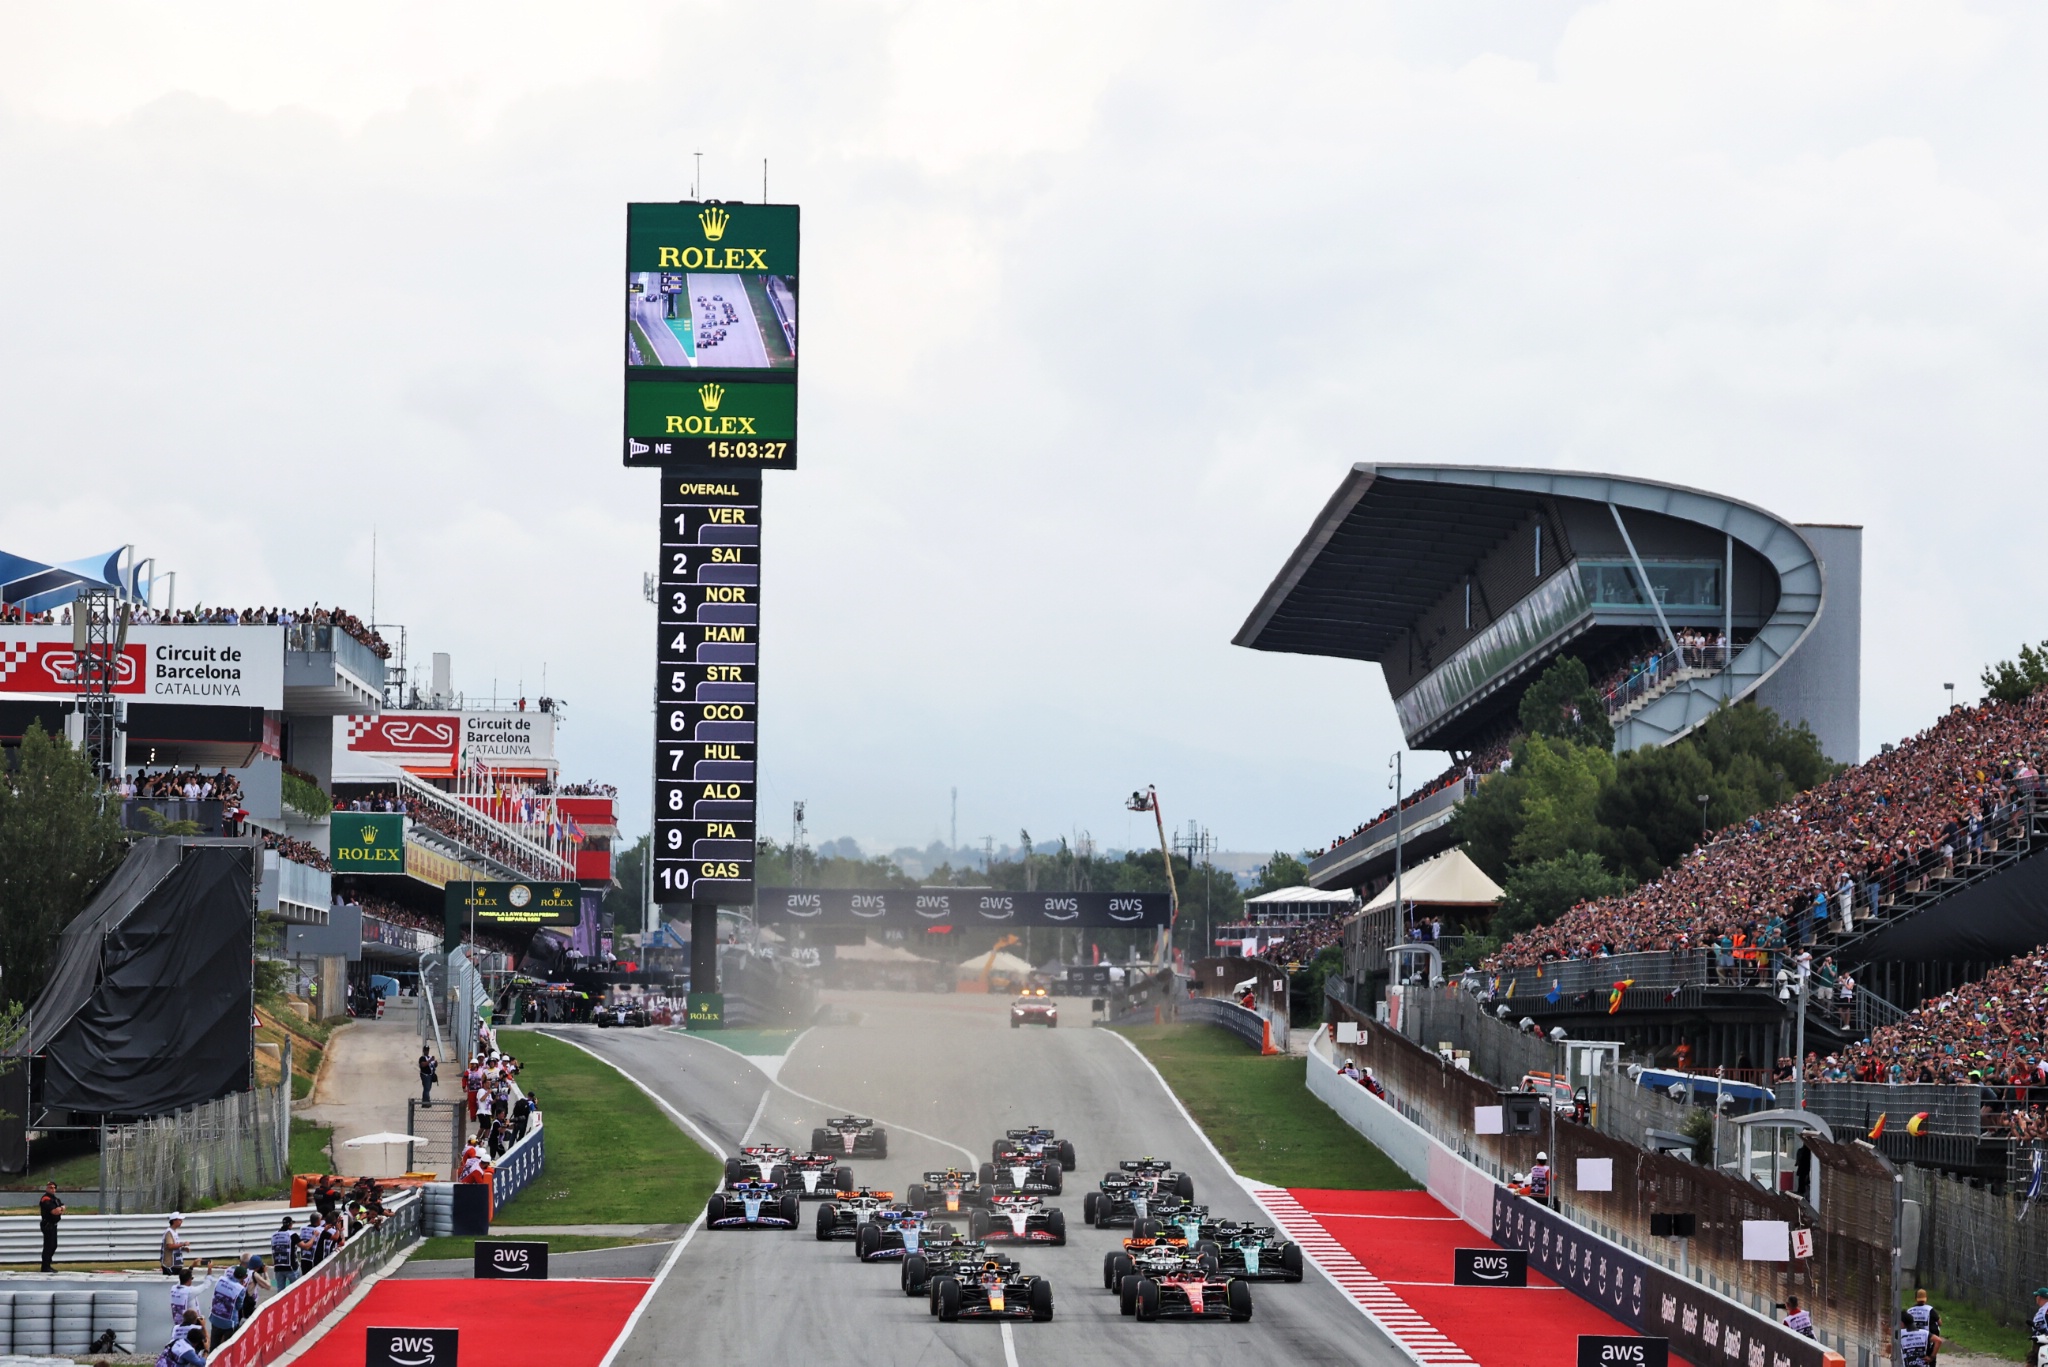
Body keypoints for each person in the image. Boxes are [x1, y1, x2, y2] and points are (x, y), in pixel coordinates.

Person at [208, 1264, 246, 1343]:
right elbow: (239, 1306)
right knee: (228, 1346)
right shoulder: (240, 1289)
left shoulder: (221, 1279)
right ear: (244, 1277)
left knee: (214, 1345)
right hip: (229, 1323)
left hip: (215, 1317)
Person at [38, 1181, 64, 1271]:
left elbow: (62, 1207)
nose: (52, 1189)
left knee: (53, 1245)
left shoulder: (55, 1199)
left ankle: (48, 1264)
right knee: (49, 1246)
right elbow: (54, 1211)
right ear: (47, 1188)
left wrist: (59, 1209)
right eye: (50, 1188)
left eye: (54, 1188)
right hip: (47, 1224)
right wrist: (60, 1209)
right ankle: (45, 1266)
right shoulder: (45, 1199)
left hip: (53, 1224)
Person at [270, 1218, 299, 1289]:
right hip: (291, 1266)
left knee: (280, 1291)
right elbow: (305, 1246)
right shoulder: (292, 1234)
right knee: (295, 1289)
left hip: (278, 1266)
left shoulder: (274, 1234)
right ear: (290, 1225)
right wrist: (314, 1237)